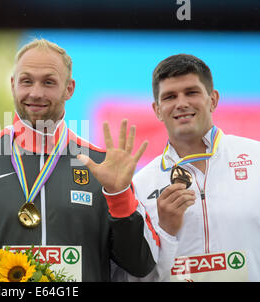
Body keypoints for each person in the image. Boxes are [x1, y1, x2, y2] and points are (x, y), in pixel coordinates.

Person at [0, 38, 159, 282]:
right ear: (13, 85)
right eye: (26, 81)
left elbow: (140, 265)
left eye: (49, 82)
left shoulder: (101, 167)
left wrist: (118, 196)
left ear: (69, 89)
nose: (36, 93)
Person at [105, 54, 260, 281]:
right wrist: (166, 231)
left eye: (191, 92)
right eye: (169, 97)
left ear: (213, 99)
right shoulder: (140, 185)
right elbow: (136, 275)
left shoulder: (256, 158)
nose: (181, 103)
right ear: (157, 109)